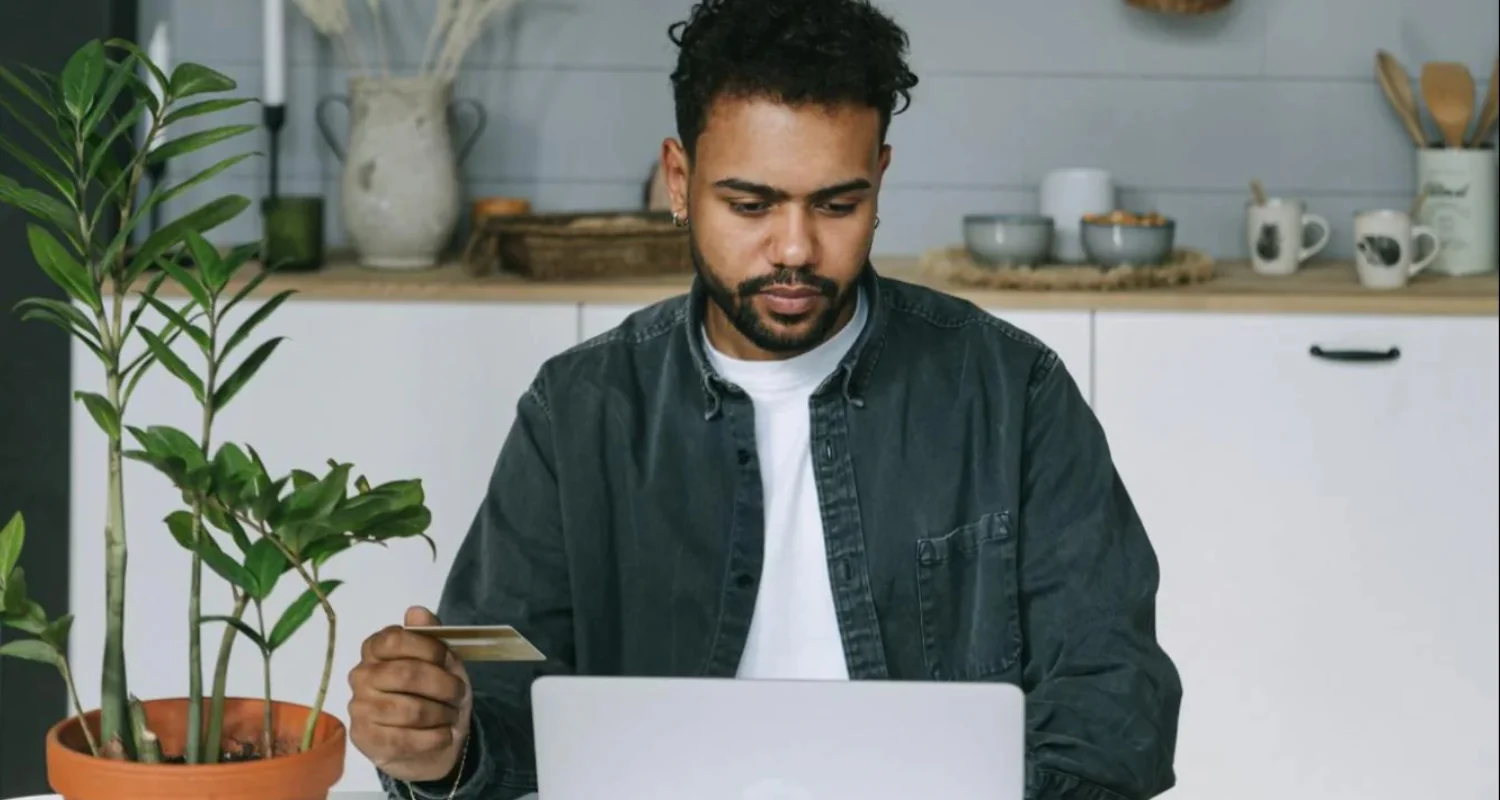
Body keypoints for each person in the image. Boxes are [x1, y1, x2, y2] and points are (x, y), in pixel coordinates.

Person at [349, 0, 1183, 798]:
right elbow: (496, 661)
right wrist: (442, 737)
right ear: (679, 179)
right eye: (750, 204)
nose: (795, 248)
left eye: (838, 203)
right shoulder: (579, 408)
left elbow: (1119, 698)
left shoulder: (1012, 391)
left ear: (881, 178)